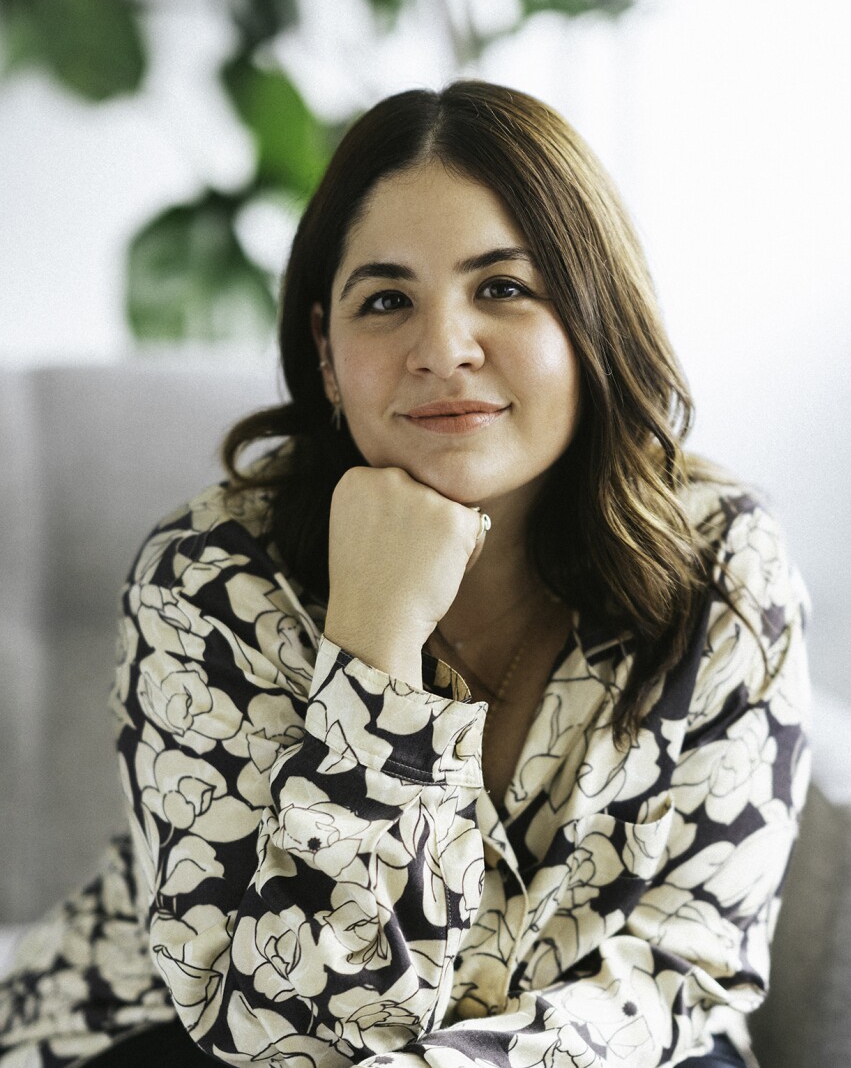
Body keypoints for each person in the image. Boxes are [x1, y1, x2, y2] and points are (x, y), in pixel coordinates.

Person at [0, 81, 809, 1068]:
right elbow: (292, 1034)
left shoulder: (717, 560)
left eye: (503, 287)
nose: (442, 348)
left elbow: (684, 973)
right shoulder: (211, 579)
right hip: (178, 1040)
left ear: (593, 316)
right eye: (386, 300)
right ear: (327, 358)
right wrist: (375, 646)